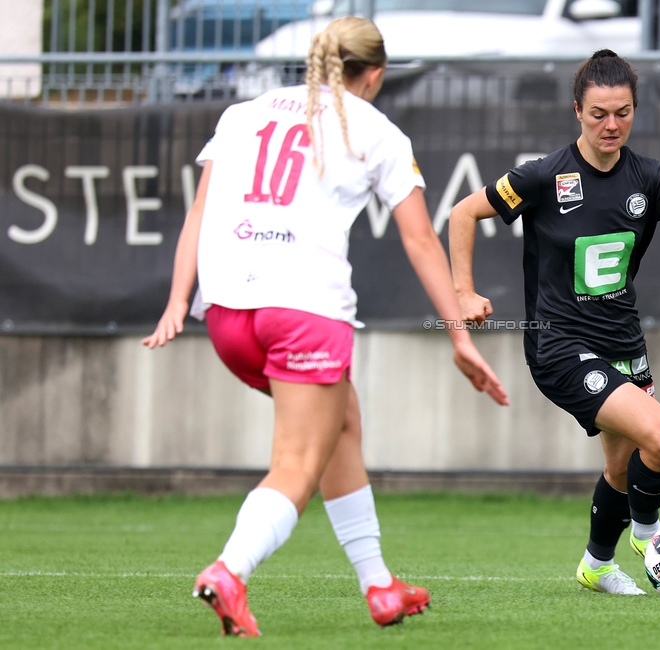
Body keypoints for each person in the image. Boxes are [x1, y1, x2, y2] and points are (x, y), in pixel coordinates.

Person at [143, 16, 508, 636]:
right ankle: (229, 571)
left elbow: (201, 210)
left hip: (229, 314)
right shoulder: (378, 130)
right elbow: (421, 240)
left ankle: (380, 587)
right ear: (377, 74)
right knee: (295, 464)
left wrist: (179, 299)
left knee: (343, 420)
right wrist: (459, 336)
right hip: (304, 313)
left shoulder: (242, 113)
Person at [449, 50, 660, 596]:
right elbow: (462, 212)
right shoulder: (543, 176)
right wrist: (463, 292)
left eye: (623, 112)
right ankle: (651, 537)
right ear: (577, 111)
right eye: (598, 114)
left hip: (624, 344)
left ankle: (595, 566)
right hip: (559, 345)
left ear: (635, 110)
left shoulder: (650, 178)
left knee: (622, 468)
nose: (611, 125)